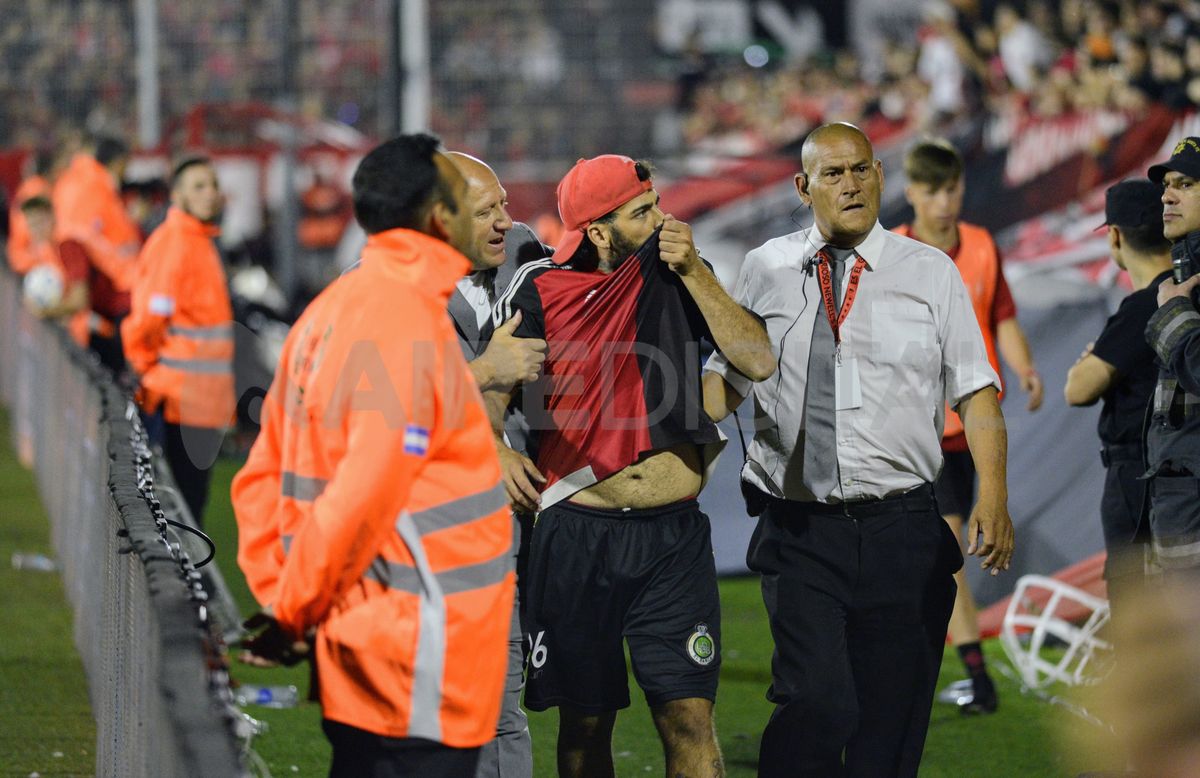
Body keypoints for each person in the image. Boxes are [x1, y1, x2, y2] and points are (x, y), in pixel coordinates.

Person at [702, 122, 1013, 778]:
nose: (851, 183)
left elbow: (977, 390)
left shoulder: (930, 271)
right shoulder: (765, 267)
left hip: (902, 527)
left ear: (879, 175)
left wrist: (993, 493)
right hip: (801, 529)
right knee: (815, 700)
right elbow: (725, 383)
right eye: (834, 173)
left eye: (861, 169)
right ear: (802, 187)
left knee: (888, 729)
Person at [231, 133, 515, 777]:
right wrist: (295, 611)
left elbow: (263, 478)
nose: (497, 220)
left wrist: (287, 601)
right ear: (439, 216)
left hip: (368, 644)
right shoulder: (404, 323)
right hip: (418, 658)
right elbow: (360, 498)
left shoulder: (330, 309)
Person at [483, 154, 774, 778]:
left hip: (672, 539)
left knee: (690, 721)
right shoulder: (537, 288)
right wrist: (498, 448)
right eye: (643, 212)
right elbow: (494, 382)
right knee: (585, 724)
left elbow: (756, 360)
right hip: (577, 536)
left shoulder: (679, 274)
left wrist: (695, 268)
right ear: (597, 230)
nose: (663, 219)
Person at [894, 137, 1042, 715]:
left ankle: (959, 675)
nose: (945, 200)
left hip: (979, 427)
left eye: (952, 187)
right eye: (933, 189)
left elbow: (1001, 313)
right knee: (946, 550)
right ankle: (974, 676)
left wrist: (1025, 366)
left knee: (944, 555)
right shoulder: (890, 255)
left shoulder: (981, 246)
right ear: (911, 192)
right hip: (918, 432)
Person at [446, 151, 549, 778]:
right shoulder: (384, 287)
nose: (503, 222)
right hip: (436, 522)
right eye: (486, 211)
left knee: (502, 701)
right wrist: (486, 378)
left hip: (516, 515)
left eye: (505, 205)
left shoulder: (525, 254)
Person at [1065, 179, 1171, 617]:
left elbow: (1078, 388)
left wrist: (1093, 357)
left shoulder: (1144, 306)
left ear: (1114, 235)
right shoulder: (1184, 294)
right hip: (1172, 476)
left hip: (1138, 480)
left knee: (1136, 609)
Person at [121, 157, 235, 526]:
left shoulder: (198, 240)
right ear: (177, 194)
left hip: (199, 401)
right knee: (181, 508)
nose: (210, 193)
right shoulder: (177, 243)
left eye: (213, 184)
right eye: (199, 186)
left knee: (188, 505)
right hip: (179, 401)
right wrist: (145, 369)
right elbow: (149, 318)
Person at [1142, 138, 1200, 575]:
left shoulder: (1178, 294)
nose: (1167, 194)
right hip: (1179, 498)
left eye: (1185, 183)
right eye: (1166, 185)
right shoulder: (1181, 279)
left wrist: (1174, 312)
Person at [52, 135, 139, 371]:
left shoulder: (76, 183)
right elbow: (94, 242)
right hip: (120, 294)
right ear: (118, 162)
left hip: (109, 295)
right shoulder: (97, 189)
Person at [16, 195, 91, 343]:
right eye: (31, 225)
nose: (35, 231)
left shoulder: (67, 245)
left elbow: (80, 300)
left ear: (52, 216)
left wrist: (45, 311)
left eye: (39, 223)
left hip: (116, 308)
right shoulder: (50, 247)